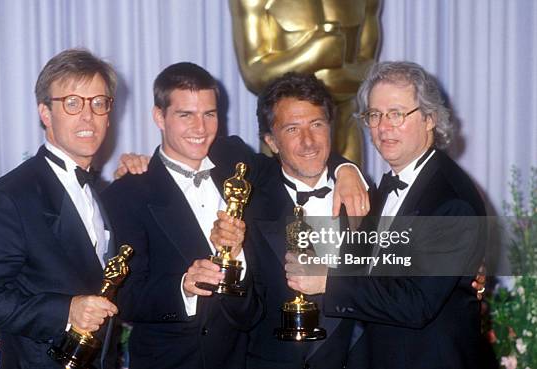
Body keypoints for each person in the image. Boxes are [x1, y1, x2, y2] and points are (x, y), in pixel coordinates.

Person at [102, 62, 368, 369]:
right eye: (185, 115)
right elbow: (126, 296)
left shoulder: (236, 162)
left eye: (209, 114)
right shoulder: (127, 193)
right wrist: (183, 287)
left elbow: (301, 153)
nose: (200, 128)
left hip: (239, 358)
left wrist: (346, 168)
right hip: (170, 361)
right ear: (159, 117)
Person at [287, 61, 486, 369]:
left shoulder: (450, 199)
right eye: (374, 115)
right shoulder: (381, 190)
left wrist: (329, 280)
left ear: (430, 118)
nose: (383, 127)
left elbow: (415, 302)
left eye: (396, 113)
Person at [0, 49, 120, 368]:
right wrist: (65, 310)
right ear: (45, 112)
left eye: (98, 102)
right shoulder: (11, 196)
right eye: (72, 102)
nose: (88, 116)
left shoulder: (105, 192)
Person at [240, 72, 365, 369]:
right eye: (293, 129)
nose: (308, 141)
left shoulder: (368, 196)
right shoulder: (250, 198)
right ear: (271, 141)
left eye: (317, 124)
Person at [229, 0, 381, 164]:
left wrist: (330, 72)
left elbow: (370, 69)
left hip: (344, 134)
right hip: (287, 139)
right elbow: (253, 75)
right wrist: (314, 54)